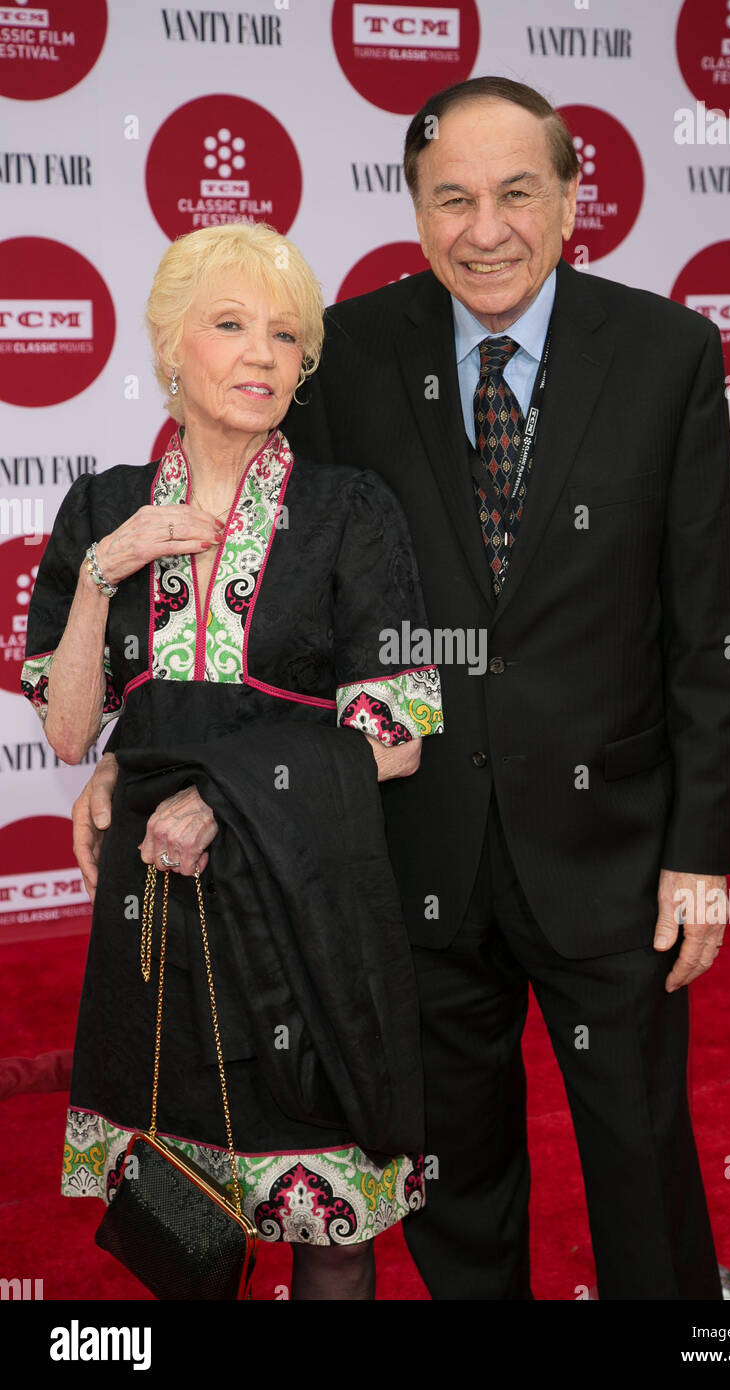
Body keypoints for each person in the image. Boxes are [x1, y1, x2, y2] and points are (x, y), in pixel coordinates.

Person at [73, 77, 730, 1300]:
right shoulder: (346, 353)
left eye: (514, 194)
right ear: (415, 208)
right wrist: (142, 756)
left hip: (611, 848)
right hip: (407, 848)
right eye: (451, 198)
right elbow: (273, 607)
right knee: (452, 1172)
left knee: (640, 1159)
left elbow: (703, 627)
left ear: (570, 198)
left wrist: (698, 852)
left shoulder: (665, 353)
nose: (482, 228)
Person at [21, 221, 443, 1301]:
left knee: (329, 1225)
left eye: (287, 336)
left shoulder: (351, 511)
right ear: (170, 346)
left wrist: (226, 792)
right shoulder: (100, 509)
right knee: (183, 1223)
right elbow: (71, 734)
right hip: (152, 918)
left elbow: (393, 733)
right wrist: (98, 579)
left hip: (303, 901)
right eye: (230, 324)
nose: (264, 354)